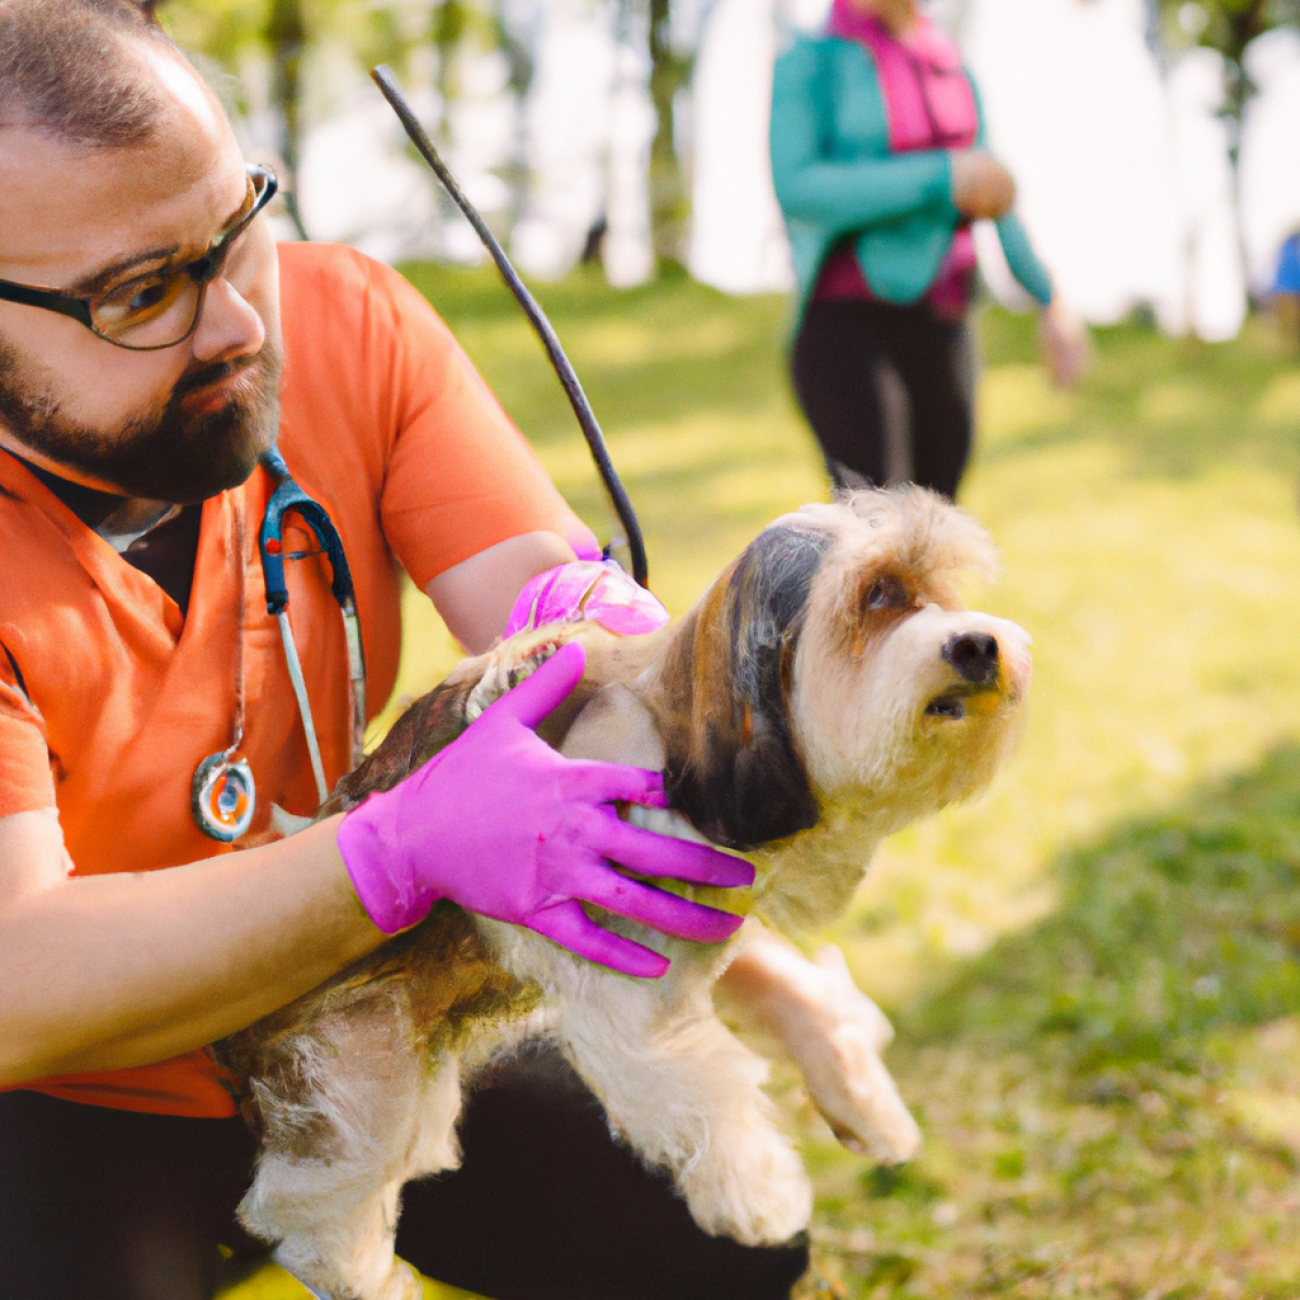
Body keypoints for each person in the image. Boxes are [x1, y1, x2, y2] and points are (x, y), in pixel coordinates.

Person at [0, 4, 906, 1298]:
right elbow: (15, 986)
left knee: (705, 1242)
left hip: (369, 1020)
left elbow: (550, 613)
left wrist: (629, 654)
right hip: (73, 1090)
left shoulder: (348, 320)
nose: (239, 327)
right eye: (144, 293)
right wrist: (389, 852)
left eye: (238, 230)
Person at [770, 0, 1088, 499]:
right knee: (878, 532)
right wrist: (942, 177)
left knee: (940, 527)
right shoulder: (810, 61)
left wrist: (1050, 300)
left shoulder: (950, 65)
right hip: (845, 327)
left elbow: (992, 194)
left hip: (943, 324)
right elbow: (798, 189)